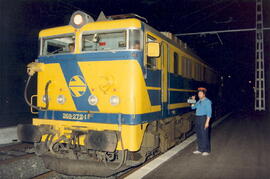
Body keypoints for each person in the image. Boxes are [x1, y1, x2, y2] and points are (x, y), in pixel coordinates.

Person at [191, 87, 212, 156]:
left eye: (200, 94)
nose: (199, 95)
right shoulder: (199, 101)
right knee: (199, 134)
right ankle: (200, 149)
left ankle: (207, 150)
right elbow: (193, 107)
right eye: (198, 94)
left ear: (204, 94)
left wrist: (207, 122)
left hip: (203, 118)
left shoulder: (207, 101)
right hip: (198, 118)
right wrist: (193, 100)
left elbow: (209, 113)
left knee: (204, 134)